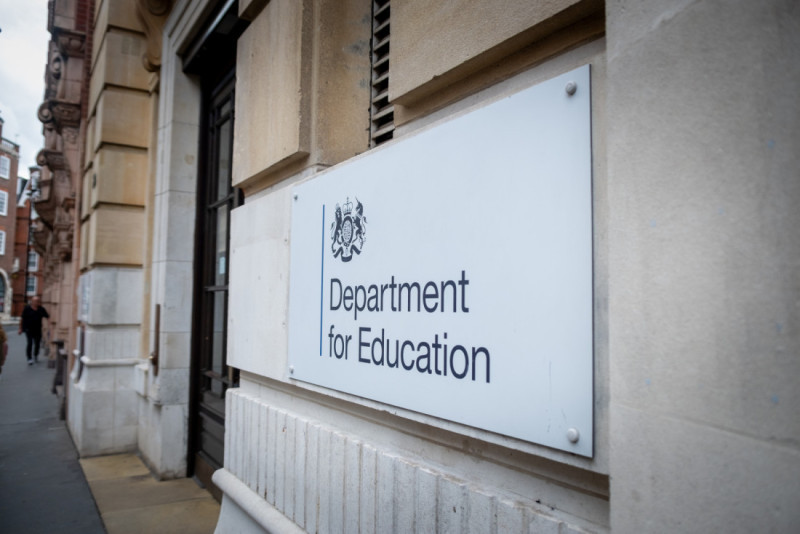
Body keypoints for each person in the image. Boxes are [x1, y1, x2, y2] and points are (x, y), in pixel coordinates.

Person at [19, 296, 49, 365]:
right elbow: (22, 318)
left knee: (37, 343)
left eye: (38, 301)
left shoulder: (41, 309)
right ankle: (29, 358)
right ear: (32, 302)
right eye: (35, 301)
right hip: (28, 329)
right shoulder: (27, 309)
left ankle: (35, 354)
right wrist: (20, 328)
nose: (36, 302)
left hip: (37, 329)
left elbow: (47, 317)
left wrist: (49, 328)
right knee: (29, 343)